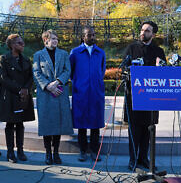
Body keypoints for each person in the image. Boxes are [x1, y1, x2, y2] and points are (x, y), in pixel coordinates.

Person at [124, 21, 166, 171]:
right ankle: (133, 160)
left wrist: (160, 68)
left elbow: (164, 74)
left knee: (148, 130)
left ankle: (144, 159)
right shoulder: (131, 48)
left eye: (147, 31)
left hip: (152, 99)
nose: (143, 33)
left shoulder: (159, 51)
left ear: (153, 34)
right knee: (134, 130)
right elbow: (123, 69)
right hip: (134, 98)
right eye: (142, 30)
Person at [33, 29, 73, 165]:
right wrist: (48, 85)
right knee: (47, 125)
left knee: (58, 124)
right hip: (45, 94)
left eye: (56, 38)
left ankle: (56, 153)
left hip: (59, 93)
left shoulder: (63, 54)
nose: (55, 41)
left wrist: (57, 82)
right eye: (52, 38)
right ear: (46, 40)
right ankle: (47, 153)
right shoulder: (38, 55)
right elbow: (36, 72)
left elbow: (68, 70)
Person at [70, 25, 106, 162]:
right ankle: (82, 151)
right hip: (81, 93)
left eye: (93, 34)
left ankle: (95, 152)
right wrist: (79, 84)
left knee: (96, 124)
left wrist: (96, 84)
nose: (92, 37)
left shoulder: (100, 52)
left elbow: (102, 71)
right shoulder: (75, 52)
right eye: (89, 35)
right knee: (82, 124)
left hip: (96, 93)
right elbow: (71, 72)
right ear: (83, 37)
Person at [0, 34, 35, 163]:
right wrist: (19, 89)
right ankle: (10, 152)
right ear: (13, 45)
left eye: (23, 42)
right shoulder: (4, 59)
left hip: (23, 96)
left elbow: (31, 77)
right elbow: (3, 78)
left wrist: (26, 89)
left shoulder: (26, 59)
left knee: (20, 124)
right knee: (10, 124)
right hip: (10, 96)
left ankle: (20, 150)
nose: (23, 44)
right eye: (20, 43)